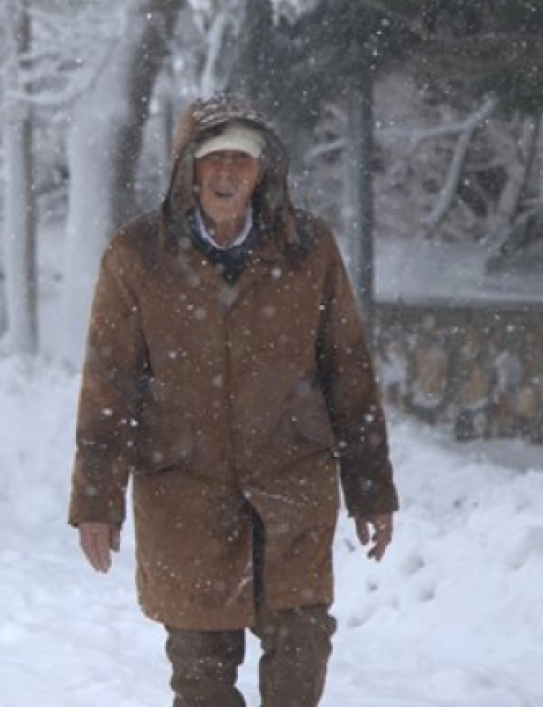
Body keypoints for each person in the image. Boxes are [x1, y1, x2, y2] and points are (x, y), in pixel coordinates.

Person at [69, 93, 398, 707]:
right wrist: (97, 499)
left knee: (302, 650)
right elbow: (108, 384)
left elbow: (348, 373)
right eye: (213, 158)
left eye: (241, 162)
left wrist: (371, 489)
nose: (226, 174)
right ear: (187, 169)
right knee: (200, 677)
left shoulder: (308, 251)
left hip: (292, 483)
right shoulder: (137, 255)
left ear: (262, 172)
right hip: (184, 490)